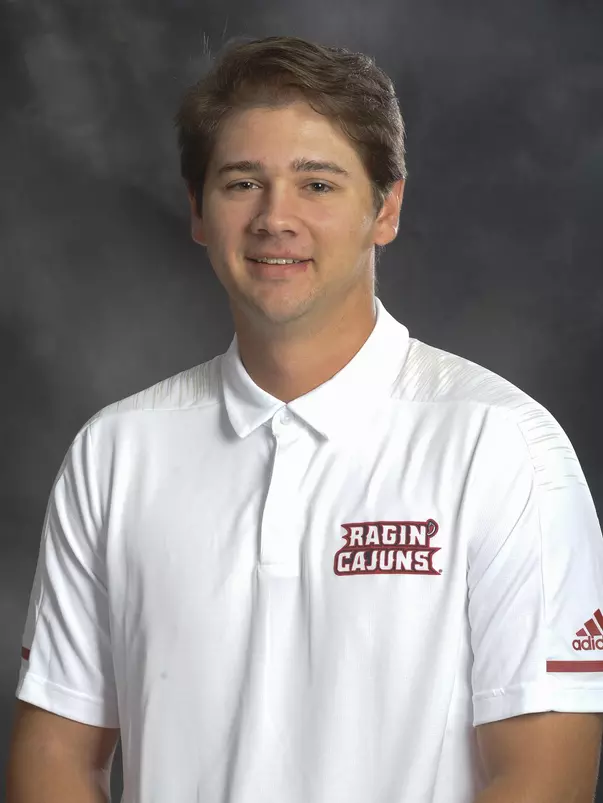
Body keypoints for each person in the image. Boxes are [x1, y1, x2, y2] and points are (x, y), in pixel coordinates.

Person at [6, 34, 603, 803]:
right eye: (241, 183)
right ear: (196, 210)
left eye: (316, 185)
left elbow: (541, 776)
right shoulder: (115, 452)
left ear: (384, 208)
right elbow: (55, 750)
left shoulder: (501, 446)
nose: (273, 218)